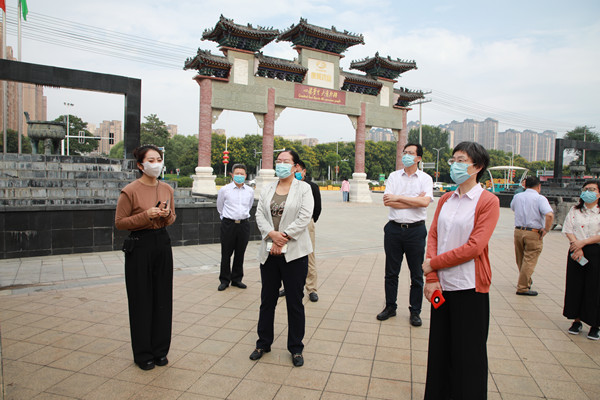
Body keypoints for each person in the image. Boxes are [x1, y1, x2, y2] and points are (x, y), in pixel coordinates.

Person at [422, 141, 500, 399]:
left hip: (470, 287)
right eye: (453, 159)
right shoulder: (446, 198)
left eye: (461, 160)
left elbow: (475, 247)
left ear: (476, 166)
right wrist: (432, 277)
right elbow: (433, 235)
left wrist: (434, 264)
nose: (455, 165)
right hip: (441, 287)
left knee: (469, 353)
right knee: (441, 349)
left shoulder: (488, 201)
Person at [115, 145, 176, 371]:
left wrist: (167, 215)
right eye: (151, 160)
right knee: (141, 299)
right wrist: (145, 215)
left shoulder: (167, 188)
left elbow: (173, 217)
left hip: (162, 242)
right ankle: (143, 353)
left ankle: (160, 350)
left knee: (162, 297)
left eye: (159, 159)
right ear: (141, 165)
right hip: (139, 245)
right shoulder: (130, 191)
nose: (156, 163)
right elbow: (120, 222)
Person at [250, 149, 314, 367]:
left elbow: (305, 216)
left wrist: (283, 237)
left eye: (286, 161)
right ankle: (263, 343)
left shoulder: (304, 189)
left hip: (294, 253)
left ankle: (296, 347)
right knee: (267, 300)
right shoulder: (268, 188)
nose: (281, 165)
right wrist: (271, 235)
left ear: (296, 166)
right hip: (269, 252)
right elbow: (259, 214)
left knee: (295, 302)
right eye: (278, 161)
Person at [378, 143, 433, 327]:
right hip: (394, 229)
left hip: (416, 231)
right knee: (391, 272)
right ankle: (390, 307)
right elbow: (388, 201)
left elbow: (425, 202)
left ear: (419, 158)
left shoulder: (425, 178)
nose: (406, 155)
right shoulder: (394, 176)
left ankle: (415, 311)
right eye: (405, 152)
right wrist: (414, 200)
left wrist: (399, 198)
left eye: (411, 153)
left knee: (416, 274)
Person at [562, 180, 600, 340]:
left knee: (595, 288)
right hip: (575, 251)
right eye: (585, 189)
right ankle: (576, 321)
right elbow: (568, 228)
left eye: (592, 189)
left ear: (599, 193)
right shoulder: (575, 210)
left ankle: (594, 324)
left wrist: (583, 243)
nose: (588, 192)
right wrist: (576, 245)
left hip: (595, 251)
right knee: (575, 285)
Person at [280, 160, 322, 301]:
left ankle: (311, 289)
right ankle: (288, 286)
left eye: (299, 171)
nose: (297, 173)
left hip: (306, 225)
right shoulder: (287, 186)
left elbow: (317, 209)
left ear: (304, 171)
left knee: (309, 256)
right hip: (288, 224)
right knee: (288, 256)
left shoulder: (311, 187)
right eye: (295, 170)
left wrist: (310, 221)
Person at [510, 176, 554, 296]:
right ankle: (523, 287)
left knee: (520, 258)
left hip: (518, 231)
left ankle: (525, 280)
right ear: (539, 186)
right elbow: (549, 215)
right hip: (533, 232)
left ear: (525, 185)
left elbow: (512, 208)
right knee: (529, 259)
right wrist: (546, 229)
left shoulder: (517, 197)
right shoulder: (540, 198)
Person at [216, 163, 254, 291]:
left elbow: (249, 206)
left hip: (243, 224)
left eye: (242, 174)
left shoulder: (250, 191)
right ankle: (224, 280)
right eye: (237, 173)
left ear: (245, 176)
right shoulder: (224, 190)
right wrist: (226, 219)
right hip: (228, 224)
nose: (239, 176)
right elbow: (220, 207)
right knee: (226, 253)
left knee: (240, 253)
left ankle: (237, 279)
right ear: (232, 175)